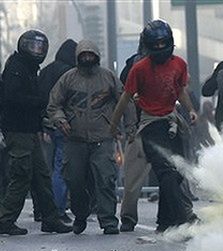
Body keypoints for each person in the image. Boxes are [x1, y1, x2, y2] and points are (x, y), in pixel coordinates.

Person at [110, 19, 198, 232]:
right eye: (155, 45)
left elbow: (180, 90)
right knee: (162, 171)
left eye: (163, 44)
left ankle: (165, 220)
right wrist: (114, 125)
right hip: (149, 124)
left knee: (176, 172)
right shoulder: (139, 68)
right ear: (148, 46)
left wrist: (191, 110)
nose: (160, 49)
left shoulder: (179, 64)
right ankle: (182, 217)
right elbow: (125, 97)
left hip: (171, 121)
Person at [48, 40, 132, 235]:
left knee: (105, 179)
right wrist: (60, 120)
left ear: (97, 56)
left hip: (103, 137)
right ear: (78, 57)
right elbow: (54, 104)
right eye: (83, 55)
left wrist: (129, 126)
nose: (87, 58)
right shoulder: (68, 79)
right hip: (74, 139)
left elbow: (125, 102)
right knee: (74, 181)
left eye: (90, 55)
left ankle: (108, 221)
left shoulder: (108, 78)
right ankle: (80, 214)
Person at [0, 30, 72, 235]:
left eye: (40, 47)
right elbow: (12, 98)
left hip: (29, 129)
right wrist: (39, 103)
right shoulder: (17, 67)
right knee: (21, 174)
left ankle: (50, 218)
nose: (36, 50)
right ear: (23, 46)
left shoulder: (29, 68)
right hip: (18, 129)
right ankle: (5, 219)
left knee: (41, 175)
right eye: (32, 46)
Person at [38, 38, 77, 223]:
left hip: (46, 125)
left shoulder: (46, 71)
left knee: (46, 168)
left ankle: (43, 209)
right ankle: (59, 209)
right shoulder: (69, 73)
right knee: (61, 167)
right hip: (63, 125)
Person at [117, 36, 152, 233]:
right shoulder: (135, 65)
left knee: (172, 173)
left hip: (155, 122)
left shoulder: (170, 64)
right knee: (133, 176)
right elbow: (125, 94)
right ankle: (128, 217)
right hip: (141, 125)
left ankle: (179, 213)